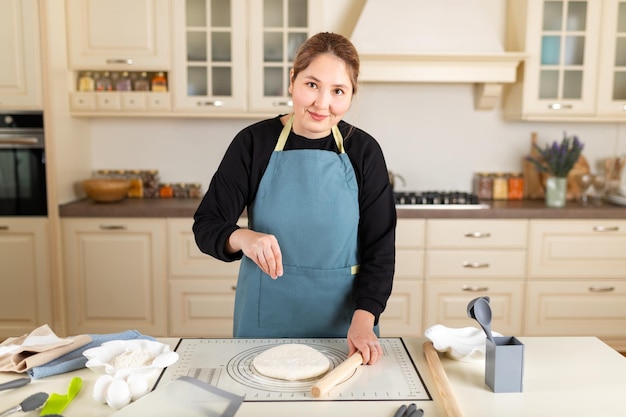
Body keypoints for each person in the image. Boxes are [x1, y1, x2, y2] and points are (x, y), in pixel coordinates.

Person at [193, 32, 396, 365]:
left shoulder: (364, 151)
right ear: (292, 80)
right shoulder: (253, 143)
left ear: (351, 95)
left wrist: (365, 319)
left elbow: (380, 250)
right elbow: (207, 225)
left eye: (338, 91)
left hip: (346, 327)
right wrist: (242, 236)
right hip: (264, 318)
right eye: (312, 85)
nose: (321, 104)